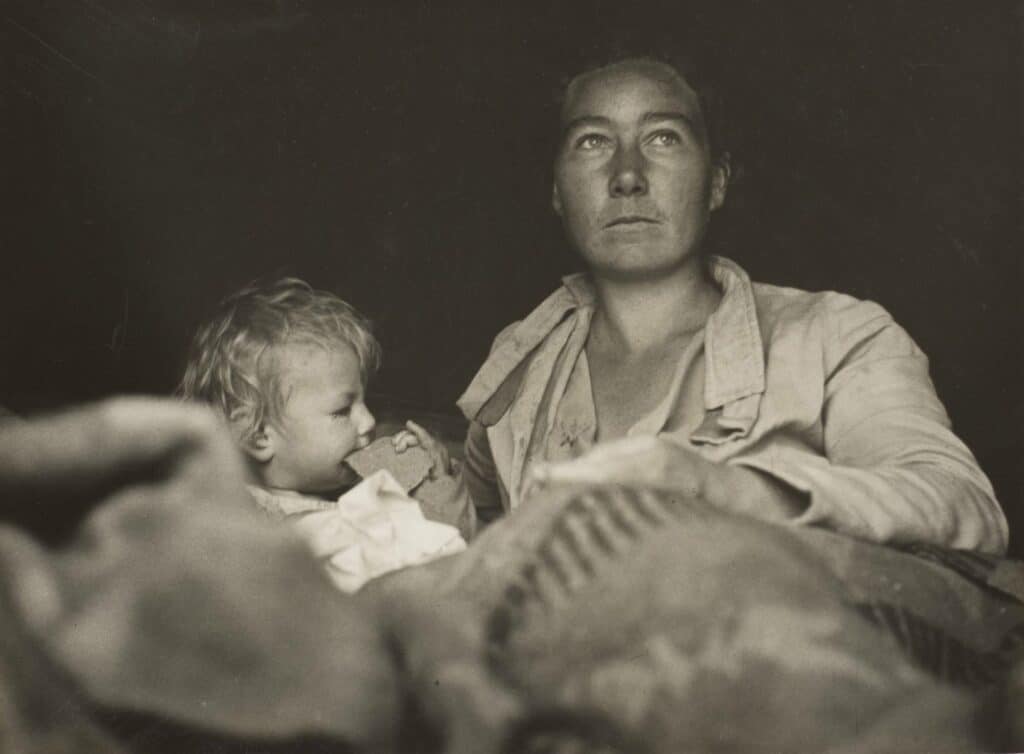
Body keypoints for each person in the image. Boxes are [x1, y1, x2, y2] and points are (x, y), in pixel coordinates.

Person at [458, 55, 1008, 554]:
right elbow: (483, 521)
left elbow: (963, 504)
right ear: (557, 191)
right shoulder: (522, 356)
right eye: (593, 142)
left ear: (716, 182)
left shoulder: (835, 336)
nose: (627, 176)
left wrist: (720, 487)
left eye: (663, 138)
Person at [180, 277, 473, 590]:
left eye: (364, 402)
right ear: (258, 434)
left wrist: (416, 478)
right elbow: (448, 560)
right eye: (342, 411)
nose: (369, 421)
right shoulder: (311, 539)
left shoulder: (244, 501)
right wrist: (439, 492)